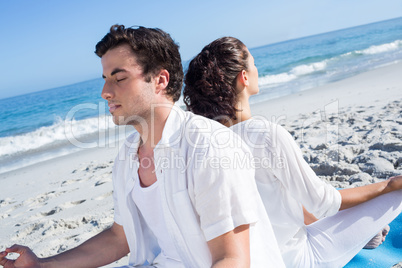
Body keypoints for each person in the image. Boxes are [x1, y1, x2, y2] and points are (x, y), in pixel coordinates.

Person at [0, 26, 285, 268]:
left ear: (160, 80)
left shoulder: (209, 145)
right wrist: (41, 264)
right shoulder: (128, 155)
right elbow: (120, 238)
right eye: (105, 79)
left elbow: (231, 259)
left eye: (119, 78)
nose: (105, 92)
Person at [183, 36, 402, 268]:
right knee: (396, 191)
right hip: (298, 259)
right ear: (244, 77)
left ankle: (363, 236)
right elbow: (324, 202)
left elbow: (289, 204)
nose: (257, 69)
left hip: (249, 259)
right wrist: (388, 185)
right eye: (253, 64)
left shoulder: (206, 144)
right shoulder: (266, 134)